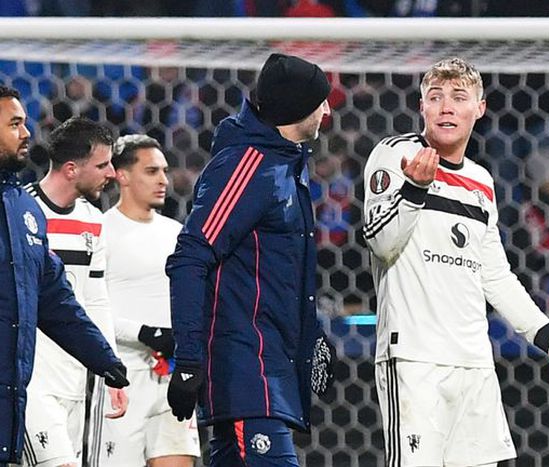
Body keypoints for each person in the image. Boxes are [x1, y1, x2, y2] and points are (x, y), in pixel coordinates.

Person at [362, 58, 549, 466]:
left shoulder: (481, 181)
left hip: (475, 362)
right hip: (415, 359)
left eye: (458, 97)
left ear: (480, 108)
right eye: (436, 97)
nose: (446, 107)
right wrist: (415, 190)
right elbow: (381, 244)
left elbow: (495, 276)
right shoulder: (395, 155)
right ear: (421, 107)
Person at [165, 53, 336, 467]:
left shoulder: (286, 164)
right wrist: (187, 359)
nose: (328, 111)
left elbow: (281, 273)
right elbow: (190, 258)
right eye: (321, 102)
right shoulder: (248, 166)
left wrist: (311, 334)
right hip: (248, 373)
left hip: (266, 371)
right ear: (297, 108)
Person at [0, 87, 128, 466]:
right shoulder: (29, 204)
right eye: (14, 124)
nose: (27, 133)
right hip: (35, 377)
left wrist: (105, 360)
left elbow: (59, 298)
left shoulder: (24, 211)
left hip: (36, 382)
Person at [87, 134, 200, 466]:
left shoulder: (178, 233)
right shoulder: (100, 231)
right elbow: (89, 308)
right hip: (121, 379)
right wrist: (144, 333)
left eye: (164, 171)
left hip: (171, 377)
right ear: (122, 176)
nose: (163, 180)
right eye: (151, 171)